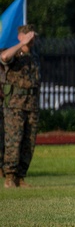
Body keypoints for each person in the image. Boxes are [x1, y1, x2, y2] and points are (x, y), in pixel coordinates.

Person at [1, 25, 41, 189]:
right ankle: (9, 177)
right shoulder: (15, 53)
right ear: (20, 36)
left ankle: (20, 177)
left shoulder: (34, 56)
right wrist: (21, 43)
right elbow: (4, 57)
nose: (32, 40)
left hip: (32, 104)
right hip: (15, 105)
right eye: (29, 36)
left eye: (33, 37)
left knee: (28, 142)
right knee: (13, 141)